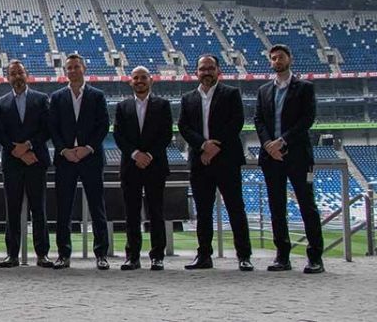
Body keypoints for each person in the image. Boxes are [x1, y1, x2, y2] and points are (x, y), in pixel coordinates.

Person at [178, 54, 253, 271]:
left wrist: (215, 146)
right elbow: (184, 127)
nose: (207, 72)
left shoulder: (231, 93)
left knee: (235, 208)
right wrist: (203, 146)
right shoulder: (188, 98)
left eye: (211, 68)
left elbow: (236, 122)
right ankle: (204, 255)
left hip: (227, 159)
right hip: (200, 161)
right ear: (196, 72)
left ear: (218, 70)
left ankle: (244, 255)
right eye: (203, 69)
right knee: (203, 211)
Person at [255, 44, 325, 274]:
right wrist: (268, 144)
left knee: (307, 205)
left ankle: (315, 257)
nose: (277, 61)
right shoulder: (264, 90)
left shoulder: (305, 87)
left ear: (290, 59)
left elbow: (307, 119)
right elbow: (259, 121)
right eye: (273, 58)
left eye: (281, 57)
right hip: (271, 156)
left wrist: (282, 141)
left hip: (297, 155)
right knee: (277, 207)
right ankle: (282, 256)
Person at [49, 53, 110, 270]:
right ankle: (63, 254)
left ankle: (101, 254)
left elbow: (103, 125)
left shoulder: (97, 95)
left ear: (84, 68)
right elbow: (52, 128)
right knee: (63, 209)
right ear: (65, 71)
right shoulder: (56, 97)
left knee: (97, 207)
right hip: (65, 159)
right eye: (69, 68)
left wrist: (88, 148)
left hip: (90, 158)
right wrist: (64, 150)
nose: (73, 71)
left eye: (76, 67)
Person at [0, 59, 52, 268]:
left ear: (26, 75)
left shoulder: (41, 99)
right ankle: (12, 255)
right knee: (13, 210)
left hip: (36, 160)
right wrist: (16, 150)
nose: (17, 77)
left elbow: (47, 129)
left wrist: (28, 146)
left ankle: (42, 254)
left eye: (20, 73)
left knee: (39, 210)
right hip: (12, 163)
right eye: (13, 74)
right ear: (7, 78)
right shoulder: (0, 104)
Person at [113, 66, 172, 270]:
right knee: (132, 213)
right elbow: (118, 135)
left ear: (151, 80)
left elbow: (166, 135)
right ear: (131, 81)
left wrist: (149, 154)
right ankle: (133, 256)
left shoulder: (163, 105)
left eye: (143, 77)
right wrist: (135, 154)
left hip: (155, 165)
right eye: (135, 78)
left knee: (156, 212)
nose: (139, 81)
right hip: (131, 166)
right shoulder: (122, 106)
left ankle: (157, 256)